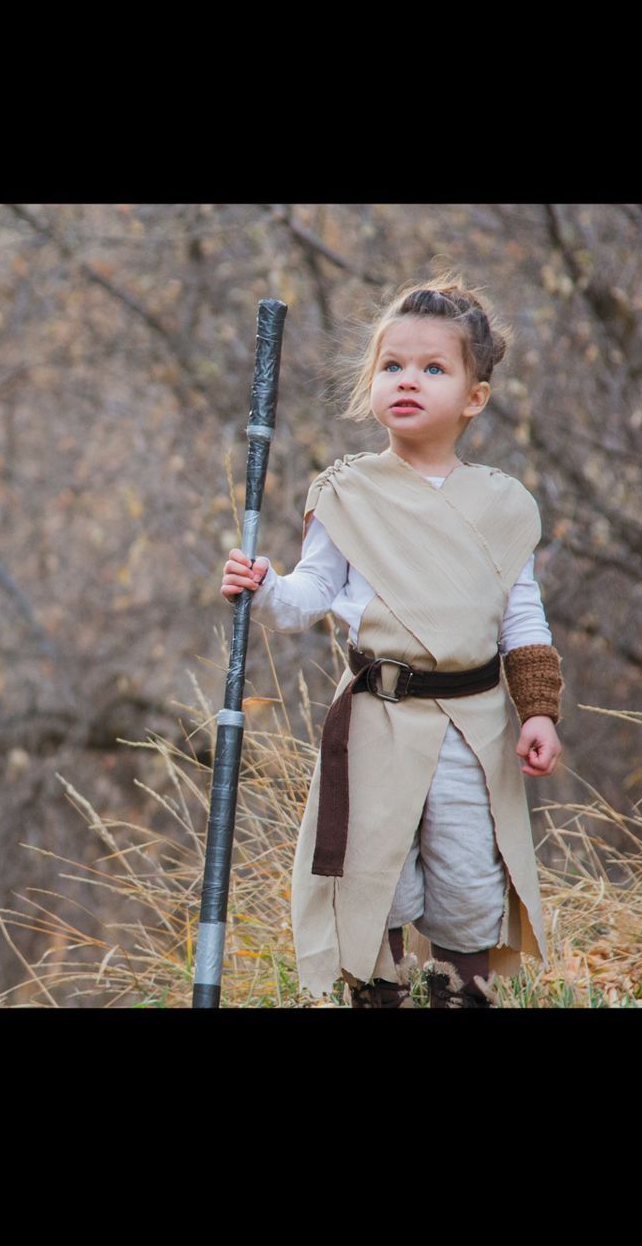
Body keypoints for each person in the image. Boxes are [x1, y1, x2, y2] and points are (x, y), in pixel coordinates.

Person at [219, 272, 565, 1009]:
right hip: (377, 722)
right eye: (392, 366)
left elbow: (521, 619)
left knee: (469, 883)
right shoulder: (346, 491)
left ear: (474, 396)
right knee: (375, 882)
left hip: (471, 731)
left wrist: (537, 710)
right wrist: (265, 584)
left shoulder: (504, 505)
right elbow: (307, 598)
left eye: (433, 368)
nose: (408, 381)